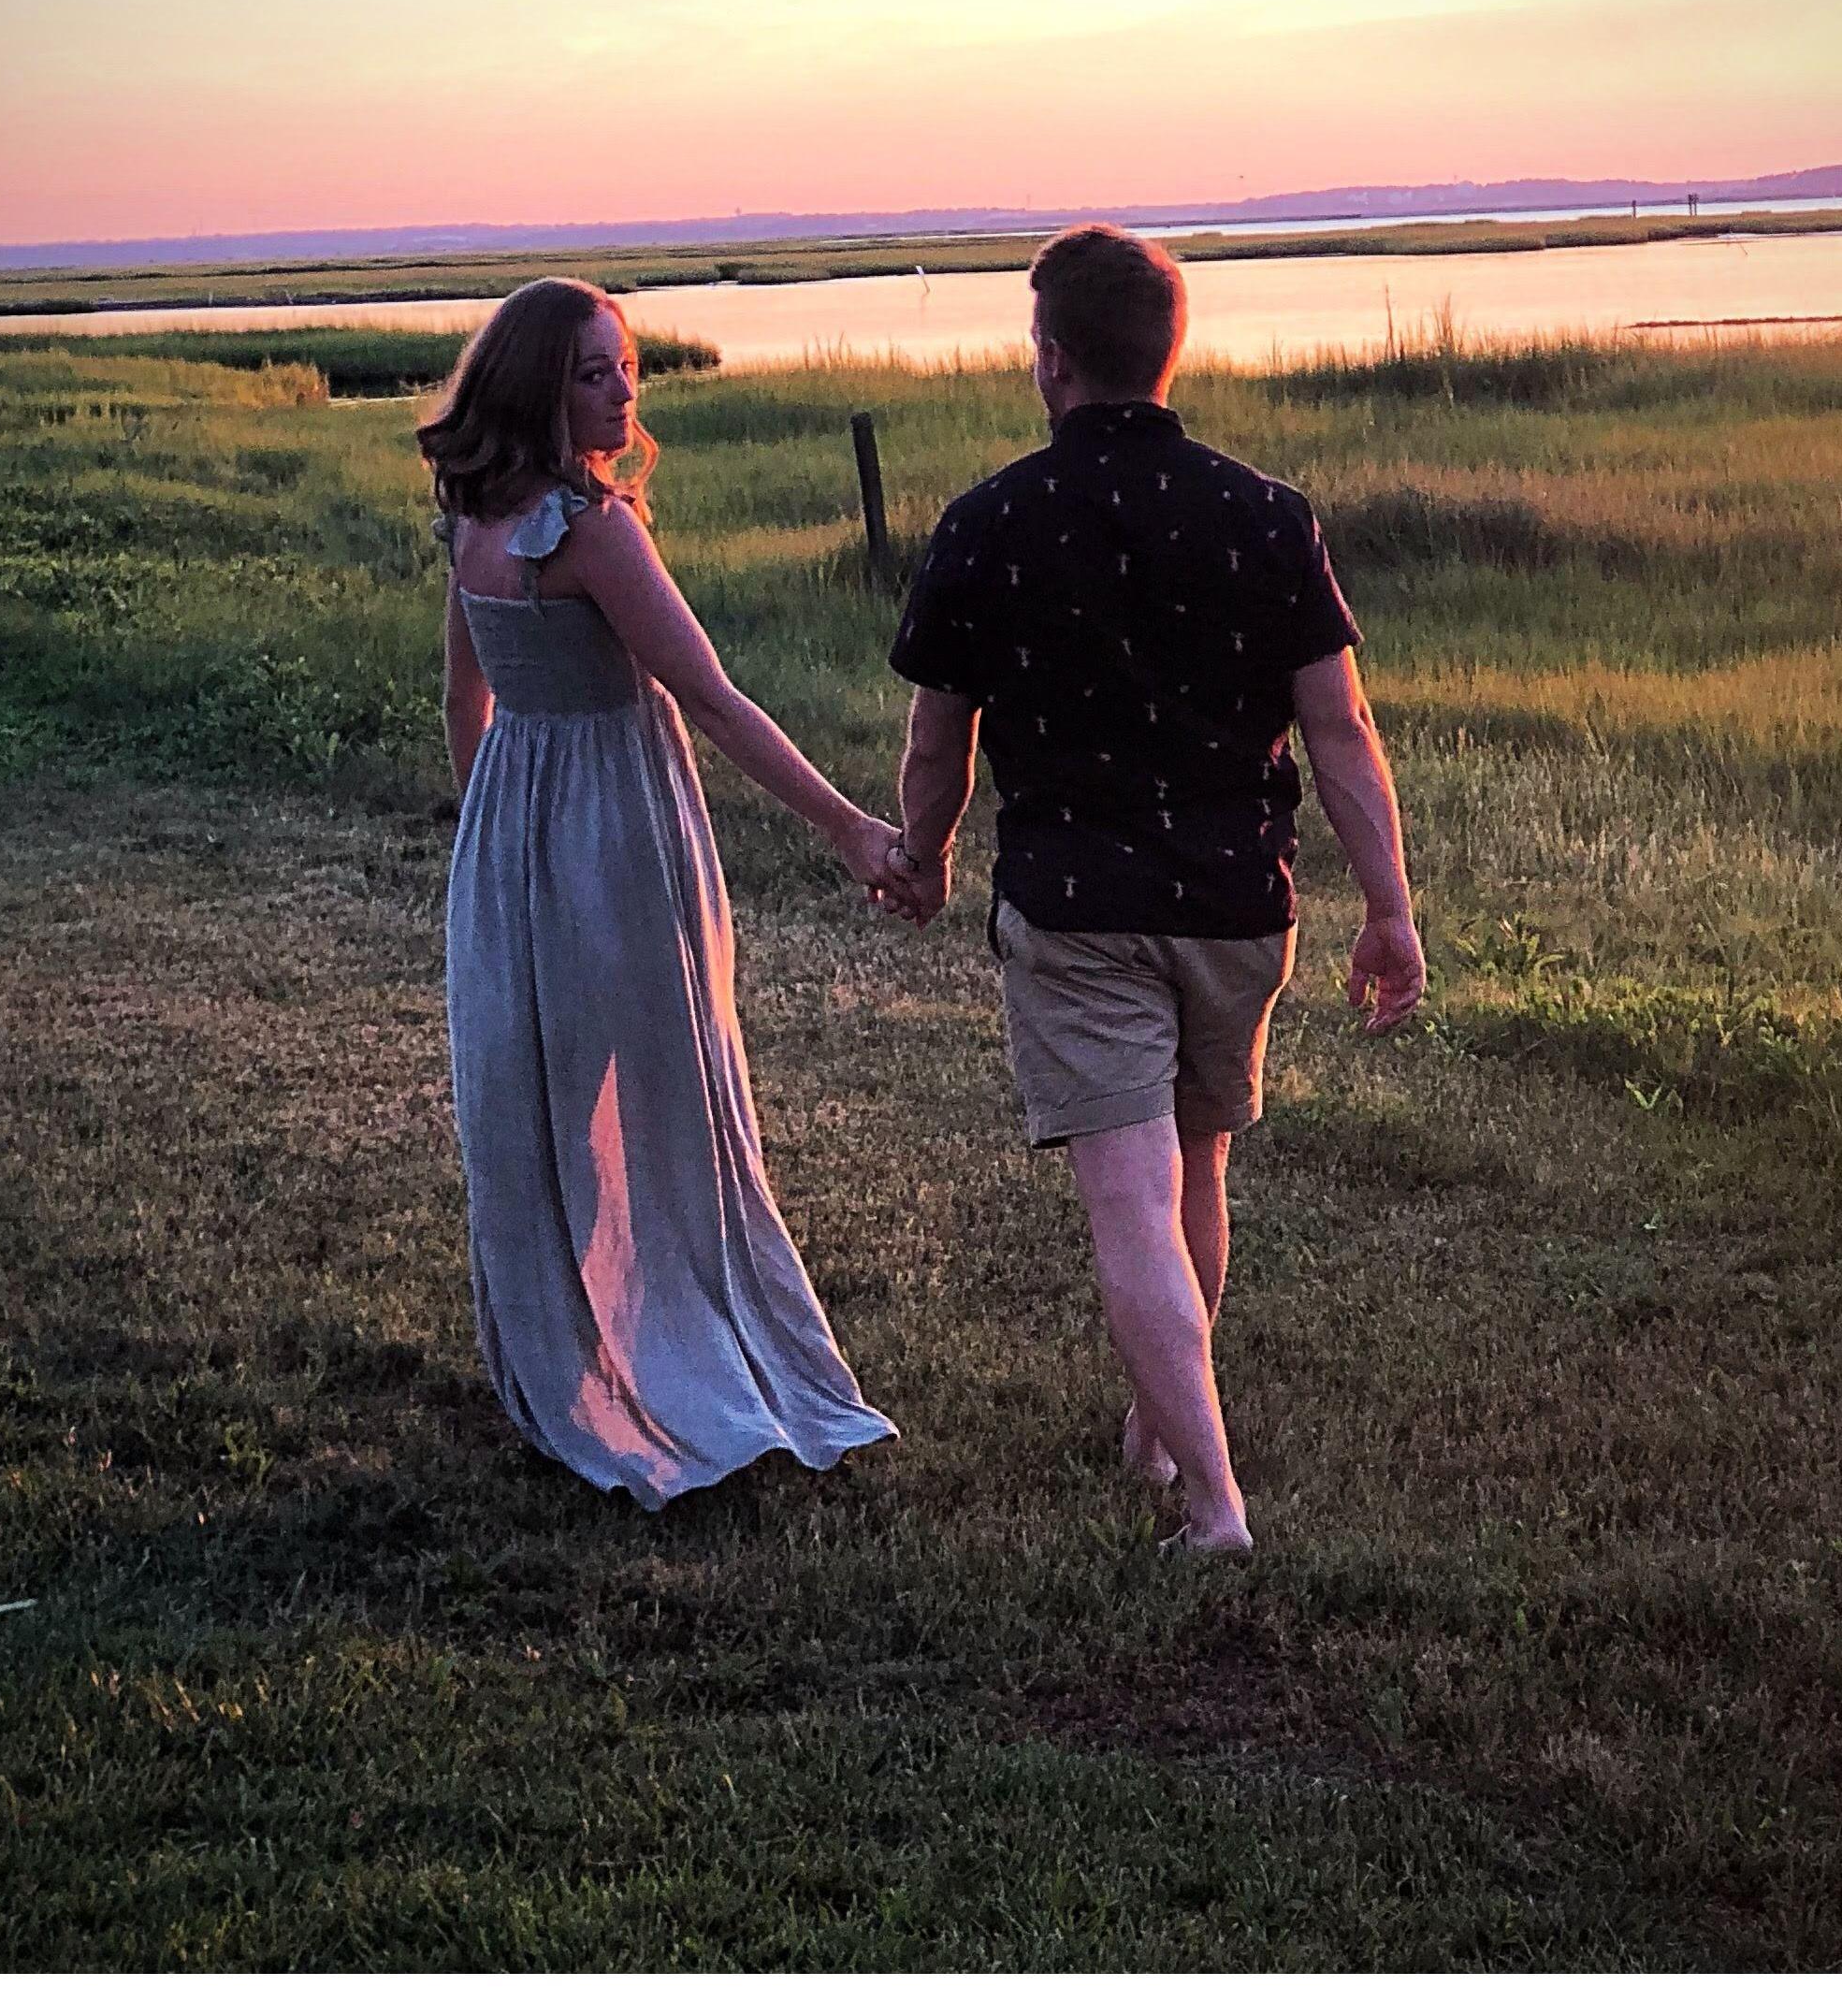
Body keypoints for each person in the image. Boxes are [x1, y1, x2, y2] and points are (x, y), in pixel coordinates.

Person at [882, 225, 1426, 1555]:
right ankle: (1152, 1434)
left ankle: (1216, 1502)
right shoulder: (1266, 513)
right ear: (1166, 353)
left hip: (1078, 906)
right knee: (1196, 1172)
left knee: (1131, 1199)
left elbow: (937, 740)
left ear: (1051, 361)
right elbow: (1341, 731)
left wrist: (931, 847)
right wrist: (1390, 908)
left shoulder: (991, 522)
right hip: (1241, 901)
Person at [419, 278, 900, 1507]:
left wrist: (492, 831)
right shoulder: (589, 529)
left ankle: (576, 1359)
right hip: (612, 819)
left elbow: (469, 705)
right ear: (537, 385)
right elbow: (716, 698)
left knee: (548, 1094)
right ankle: (655, 1360)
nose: (623, 390)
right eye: (594, 371)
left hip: (519, 822)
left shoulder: (481, 512)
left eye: (629, 366)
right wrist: (850, 830)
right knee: (659, 1087)